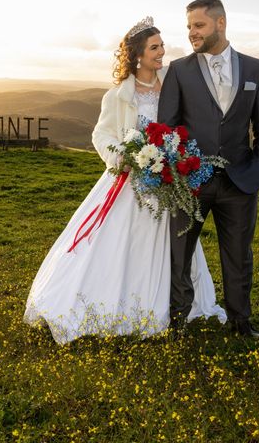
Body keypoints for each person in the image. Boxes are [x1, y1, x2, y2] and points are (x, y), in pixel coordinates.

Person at [24, 17, 227, 345]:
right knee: (119, 245)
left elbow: (209, 80)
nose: (163, 51)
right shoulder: (118, 95)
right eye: (155, 47)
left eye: (162, 45)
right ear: (137, 55)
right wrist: (122, 156)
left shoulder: (173, 81)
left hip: (168, 179)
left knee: (176, 242)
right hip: (129, 181)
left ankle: (177, 306)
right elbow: (101, 134)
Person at [157, 0, 259, 339]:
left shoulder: (254, 69)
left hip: (240, 181)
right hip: (191, 182)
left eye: (199, 25)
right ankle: (177, 323)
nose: (192, 33)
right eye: (189, 27)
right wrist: (178, 173)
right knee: (180, 255)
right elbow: (168, 128)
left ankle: (241, 323)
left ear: (220, 23)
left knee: (239, 256)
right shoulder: (179, 70)